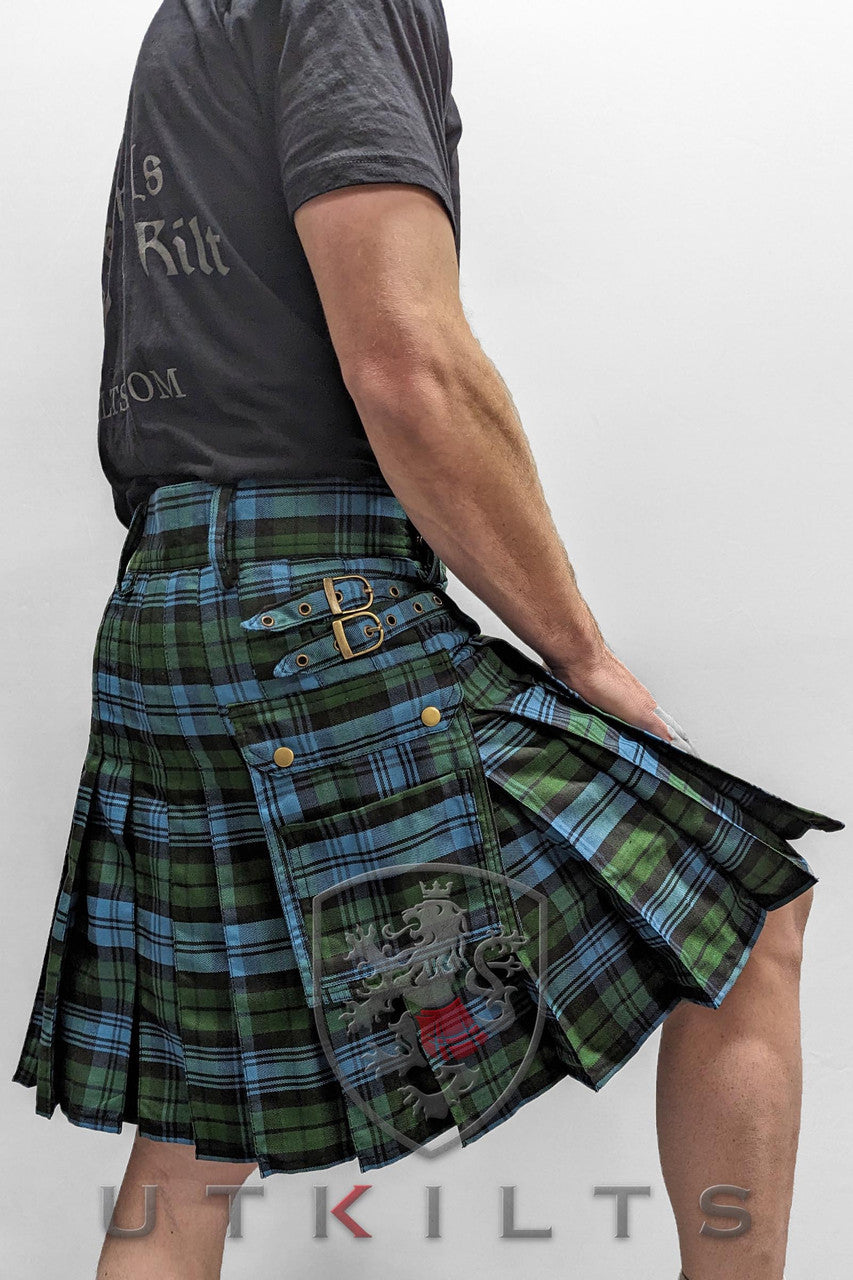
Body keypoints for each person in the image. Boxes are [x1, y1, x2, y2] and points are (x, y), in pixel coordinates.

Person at [11, 3, 844, 1278]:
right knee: (739, 909)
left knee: (195, 1125)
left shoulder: (195, 20)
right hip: (311, 601)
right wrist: (578, 651)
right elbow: (407, 362)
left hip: (166, 606)